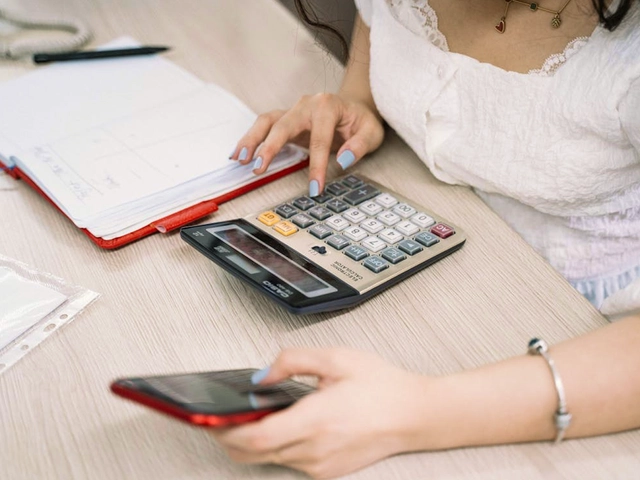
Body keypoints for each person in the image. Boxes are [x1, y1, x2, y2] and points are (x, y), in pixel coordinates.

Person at [223, 0, 640, 478]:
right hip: (457, 275)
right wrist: (356, 106)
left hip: (590, 337)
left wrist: (411, 413)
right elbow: (374, 71)